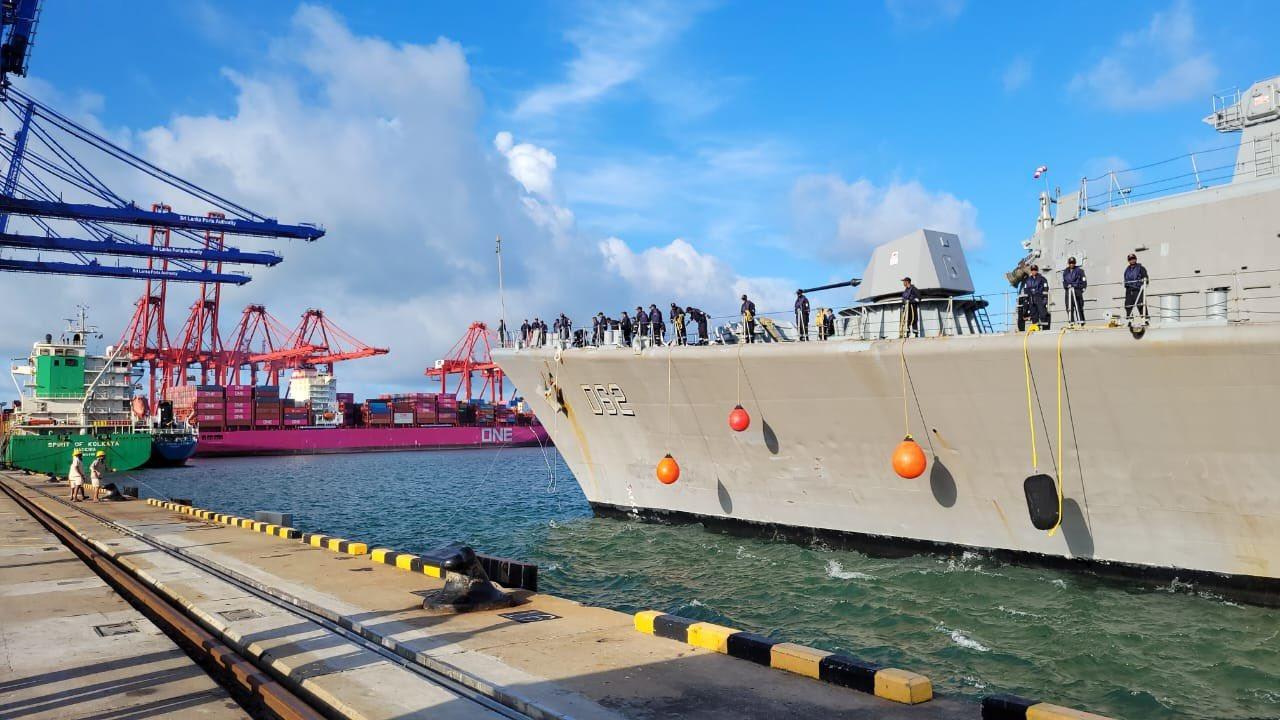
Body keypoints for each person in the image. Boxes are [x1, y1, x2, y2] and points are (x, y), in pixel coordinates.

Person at [1022, 264, 1050, 329]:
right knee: (1033, 313)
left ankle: (1045, 328)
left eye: (1035, 270)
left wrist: (1045, 298)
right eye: (1032, 270)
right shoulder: (1028, 280)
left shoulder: (1042, 279)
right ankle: (1035, 326)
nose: (1033, 271)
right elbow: (1026, 289)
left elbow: (1046, 288)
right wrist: (1026, 299)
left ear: (1037, 271)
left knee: (1042, 313)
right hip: (1031, 298)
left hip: (1039, 297)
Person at [1123, 253, 1148, 321]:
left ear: (1136, 259)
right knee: (1128, 305)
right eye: (1130, 259)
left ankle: (1145, 320)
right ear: (1128, 261)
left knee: (1140, 305)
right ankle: (1129, 320)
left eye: (1133, 259)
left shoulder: (1141, 268)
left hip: (1137, 289)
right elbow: (1125, 279)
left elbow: (1145, 278)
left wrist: (1142, 284)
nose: (1132, 260)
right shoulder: (1127, 270)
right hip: (1129, 290)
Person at [1062, 257, 1086, 325]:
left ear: (1075, 263)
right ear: (1068, 263)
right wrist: (1067, 286)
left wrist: (1081, 289)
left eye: (1073, 263)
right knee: (1069, 308)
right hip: (1068, 292)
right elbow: (1064, 282)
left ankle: (1081, 323)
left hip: (1077, 290)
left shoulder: (1080, 271)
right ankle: (1071, 323)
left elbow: (1084, 281)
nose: (1071, 264)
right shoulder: (1065, 272)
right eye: (1070, 263)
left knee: (1079, 307)